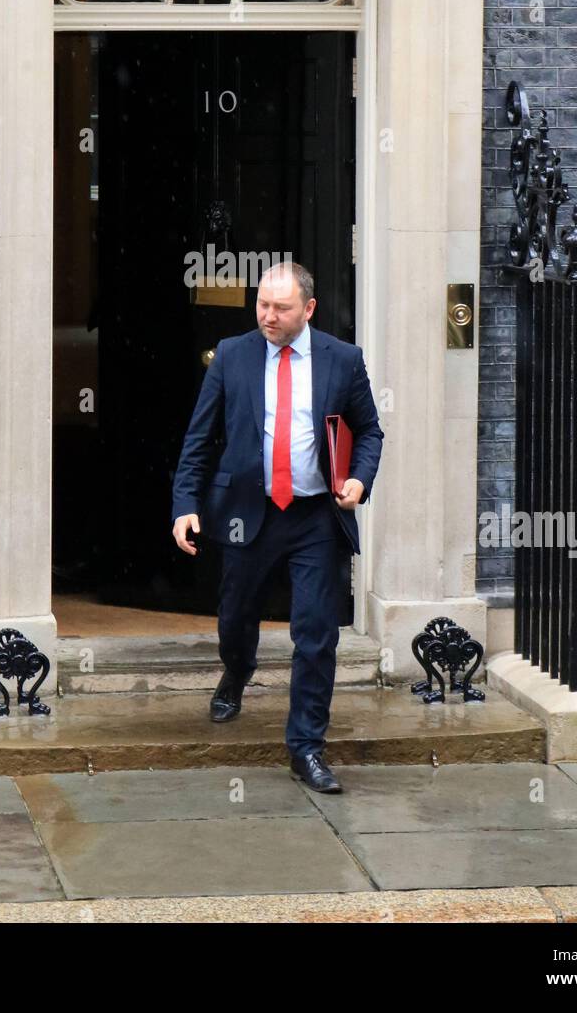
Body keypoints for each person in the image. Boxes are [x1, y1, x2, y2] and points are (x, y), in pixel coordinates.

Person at [171, 261, 383, 793]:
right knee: (235, 617)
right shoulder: (232, 355)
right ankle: (237, 671)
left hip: (314, 516)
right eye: (262, 304)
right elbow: (199, 439)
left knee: (317, 633)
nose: (268, 315)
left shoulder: (343, 359)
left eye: (280, 307)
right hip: (248, 511)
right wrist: (184, 505)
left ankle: (307, 748)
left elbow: (370, 431)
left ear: (308, 309)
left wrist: (359, 480)